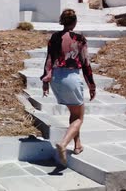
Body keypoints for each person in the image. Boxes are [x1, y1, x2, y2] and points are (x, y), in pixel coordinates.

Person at [41, 9, 96, 165]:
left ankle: (77, 145)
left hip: (56, 78)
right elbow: (86, 63)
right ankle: (64, 143)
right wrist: (91, 85)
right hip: (71, 77)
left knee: (73, 112)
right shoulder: (79, 39)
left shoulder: (55, 37)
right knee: (79, 116)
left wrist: (45, 81)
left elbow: (49, 60)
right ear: (75, 22)